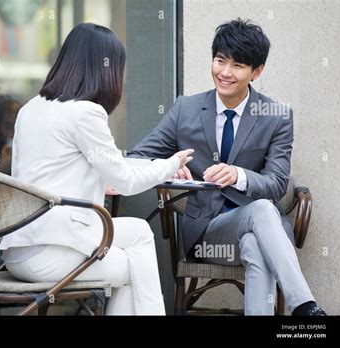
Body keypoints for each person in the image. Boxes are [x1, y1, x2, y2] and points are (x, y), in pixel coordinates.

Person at [129, 18, 326, 316]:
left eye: (238, 65)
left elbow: (276, 183)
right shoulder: (187, 109)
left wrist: (239, 175)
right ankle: (305, 308)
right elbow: (137, 157)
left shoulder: (277, 117)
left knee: (255, 240)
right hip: (207, 232)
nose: (225, 72)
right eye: (220, 60)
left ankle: (300, 308)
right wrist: (167, 167)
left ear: (256, 72)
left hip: (262, 230)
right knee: (261, 215)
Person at [0, 23, 194, 315]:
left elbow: (48, 171)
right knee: (131, 268)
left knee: (140, 231)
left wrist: (100, 181)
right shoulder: (85, 112)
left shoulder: (31, 109)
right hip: (48, 253)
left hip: (17, 249)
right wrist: (171, 165)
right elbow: (126, 181)